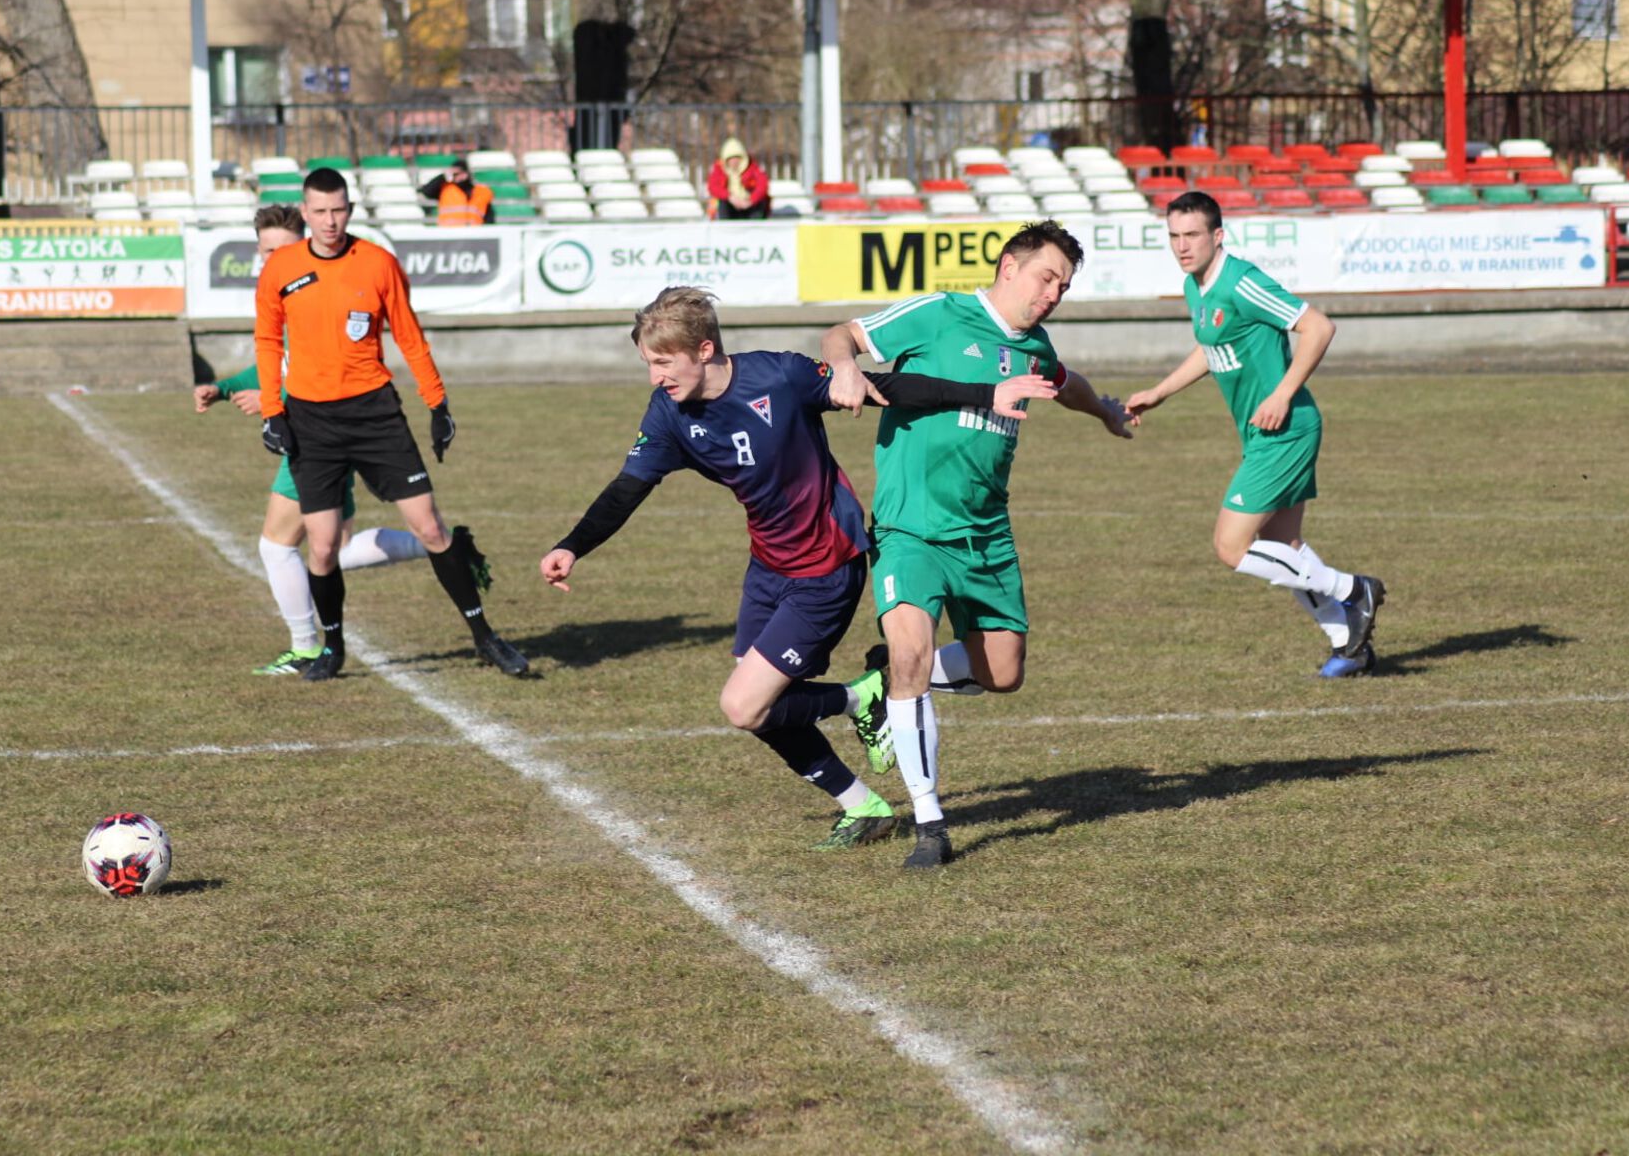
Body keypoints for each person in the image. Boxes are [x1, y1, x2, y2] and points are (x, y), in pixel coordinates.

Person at [540, 286, 1058, 851]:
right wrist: (573, 545)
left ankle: (863, 699)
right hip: (768, 565)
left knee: (744, 704)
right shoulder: (669, 414)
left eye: (664, 363)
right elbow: (627, 489)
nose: (655, 378)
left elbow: (888, 387)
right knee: (762, 709)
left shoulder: (779, 378)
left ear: (705, 349)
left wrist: (987, 392)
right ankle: (862, 803)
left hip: (826, 567)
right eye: (649, 365)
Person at [819, 220, 1135, 869]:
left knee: (1004, 673)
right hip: (911, 526)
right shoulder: (942, 313)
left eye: (1065, 286)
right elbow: (844, 334)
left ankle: (886, 684)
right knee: (913, 652)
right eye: (1047, 277)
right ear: (1009, 266)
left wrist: (1102, 409)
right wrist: (847, 366)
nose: (1053, 293)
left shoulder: (1036, 347)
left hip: (986, 533)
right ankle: (931, 824)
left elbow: (1063, 381)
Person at [255, 166, 527, 681]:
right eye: (320, 212)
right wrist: (273, 411)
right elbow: (268, 341)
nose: (330, 221)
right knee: (322, 545)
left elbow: (409, 335)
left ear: (350, 210)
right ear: (306, 213)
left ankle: (485, 637)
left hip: (375, 414)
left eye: (338, 210)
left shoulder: (377, 263)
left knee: (429, 526)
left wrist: (438, 403)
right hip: (311, 420)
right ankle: (331, 648)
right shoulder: (280, 269)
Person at [1123, 190, 1385, 677]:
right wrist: (1160, 392)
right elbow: (1211, 347)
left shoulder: (1242, 281)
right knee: (1284, 549)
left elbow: (1319, 328)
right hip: (1263, 435)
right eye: (1174, 237)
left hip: (1287, 430)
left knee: (1231, 547)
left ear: (1217, 236)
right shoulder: (1195, 287)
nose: (1182, 246)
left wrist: (1283, 392)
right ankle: (1349, 644)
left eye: (1192, 235)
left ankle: (1352, 591)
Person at [195, 203, 438, 674]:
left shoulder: (315, 282)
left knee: (278, 545)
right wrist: (225, 389)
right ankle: (445, 546)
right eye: (264, 251)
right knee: (335, 548)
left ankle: (306, 644)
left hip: (318, 434)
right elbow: (282, 361)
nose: (270, 260)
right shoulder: (286, 288)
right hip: (319, 430)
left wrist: (273, 402)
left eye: (278, 250)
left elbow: (325, 373)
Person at [417, 158, 494, 226]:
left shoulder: (481, 191)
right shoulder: (444, 189)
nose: (456, 177)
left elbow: (489, 216)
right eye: (453, 174)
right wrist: (443, 177)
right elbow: (426, 192)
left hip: (474, 235)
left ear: (466, 174)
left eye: (457, 174)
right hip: (450, 235)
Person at [706, 138, 770, 220]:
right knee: (720, 202)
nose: (734, 161)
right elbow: (713, 187)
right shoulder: (719, 168)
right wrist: (730, 197)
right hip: (730, 204)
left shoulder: (752, 167)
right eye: (731, 158)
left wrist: (750, 201)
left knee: (760, 201)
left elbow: (763, 185)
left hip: (749, 204)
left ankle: (756, 227)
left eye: (737, 157)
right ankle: (725, 227)